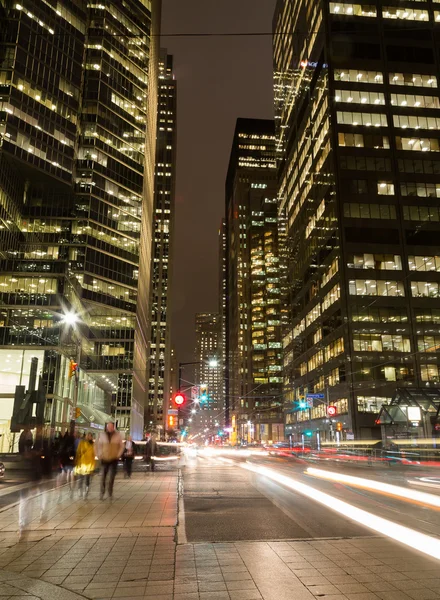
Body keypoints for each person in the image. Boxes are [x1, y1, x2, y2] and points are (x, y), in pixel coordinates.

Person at [97, 422, 123, 500]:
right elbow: (99, 445)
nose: (110, 428)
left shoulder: (117, 435)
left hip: (113, 458)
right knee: (103, 477)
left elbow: (121, 446)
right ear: (107, 427)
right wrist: (100, 454)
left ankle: (110, 492)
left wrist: (118, 454)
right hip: (104, 458)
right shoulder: (102, 435)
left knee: (112, 477)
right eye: (109, 426)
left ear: (113, 427)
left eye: (111, 426)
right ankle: (102, 492)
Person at [75, 432, 96, 498]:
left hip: (89, 464)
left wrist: (93, 466)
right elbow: (78, 452)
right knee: (80, 478)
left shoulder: (93, 444)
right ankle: (79, 490)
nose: (89, 437)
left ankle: (86, 491)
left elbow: (94, 455)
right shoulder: (82, 442)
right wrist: (76, 461)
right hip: (81, 463)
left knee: (87, 479)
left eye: (90, 436)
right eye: (88, 436)